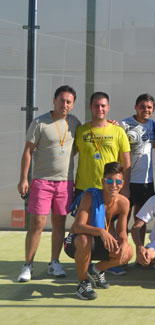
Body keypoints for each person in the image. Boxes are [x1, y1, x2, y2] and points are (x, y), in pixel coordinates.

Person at [17, 85, 81, 282]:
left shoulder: (75, 122)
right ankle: (28, 265)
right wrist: (24, 178)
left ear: (73, 104)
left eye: (69, 101)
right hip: (41, 182)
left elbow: (77, 147)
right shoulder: (39, 122)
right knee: (37, 223)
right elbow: (28, 151)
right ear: (54, 101)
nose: (65, 104)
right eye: (61, 100)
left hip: (64, 183)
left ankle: (54, 262)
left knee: (59, 223)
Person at [63, 162, 133, 300]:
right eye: (109, 181)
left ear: (122, 183)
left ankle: (96, 269)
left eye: (118, 181)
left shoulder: (124, 203)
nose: (114, 185)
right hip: (75, 243)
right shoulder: (89, 196)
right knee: (85, 240)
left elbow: (121, 232)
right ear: (103, 181)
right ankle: (83, 283)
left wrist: (124, 243)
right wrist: (101, 232)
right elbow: (78, 226)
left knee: (128, 252)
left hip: (98, 242)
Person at [75, 92, 131, 197]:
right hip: (84, 187)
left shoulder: (118, 131)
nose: (100, 109)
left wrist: (126, 186)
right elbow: (70, 153)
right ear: (90, 107)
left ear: (108, 107)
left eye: (103, 106)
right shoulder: (80, 130)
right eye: (96, 106)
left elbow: (126, 162)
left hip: (110, 187)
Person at [120, 93, 155, 250]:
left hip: (146, 182)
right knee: (123, 220)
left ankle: (140, 255)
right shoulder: (124, 125)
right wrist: (124, 184)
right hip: (128, 181)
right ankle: (121, 257)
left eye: (149, 107)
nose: (145, 110)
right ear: (135, 107)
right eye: (142, 107)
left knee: (141, 221)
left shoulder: (153, 124)